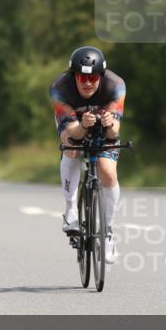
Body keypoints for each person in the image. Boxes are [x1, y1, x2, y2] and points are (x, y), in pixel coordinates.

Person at [49, 46, 126, 263]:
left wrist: (110, 123)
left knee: (107, 172)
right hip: (74, 125)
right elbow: (71, 134)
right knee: (72, 146)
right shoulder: (60, 88)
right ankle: (71, 211)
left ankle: (107, 232)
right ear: (74, 76)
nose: (88, 83)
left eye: (93, 77)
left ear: (101, 76)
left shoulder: (115, 85)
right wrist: (82, 125)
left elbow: (114, 132)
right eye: (83, 77)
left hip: (103, 128)